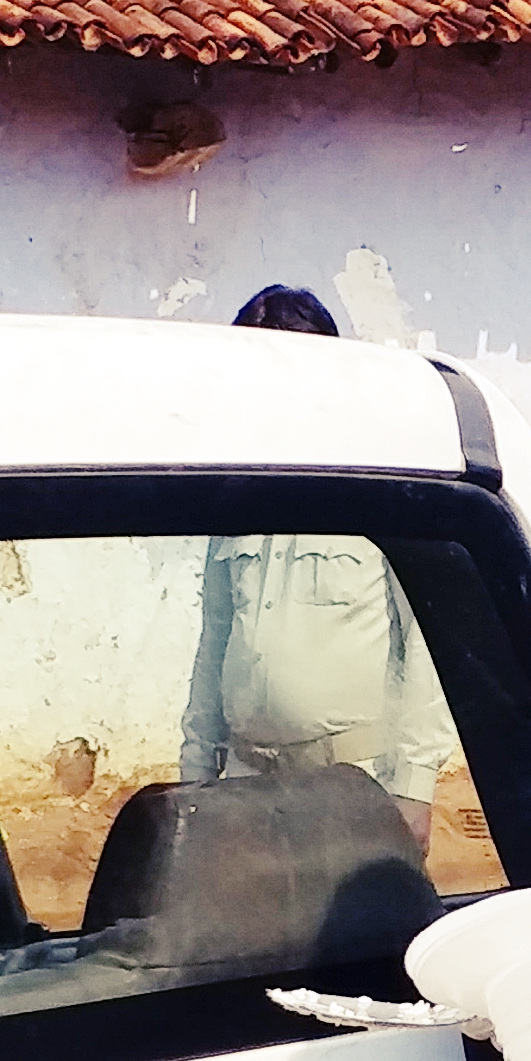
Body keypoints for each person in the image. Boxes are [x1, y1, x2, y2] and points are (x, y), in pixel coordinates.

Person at [187, 284, 461, 829]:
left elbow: (427, 643)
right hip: (246, 784)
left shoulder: (380, 488)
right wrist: (197, 775)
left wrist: (413, 788)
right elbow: (214, 640)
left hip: (353, 786)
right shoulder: (234, 498)